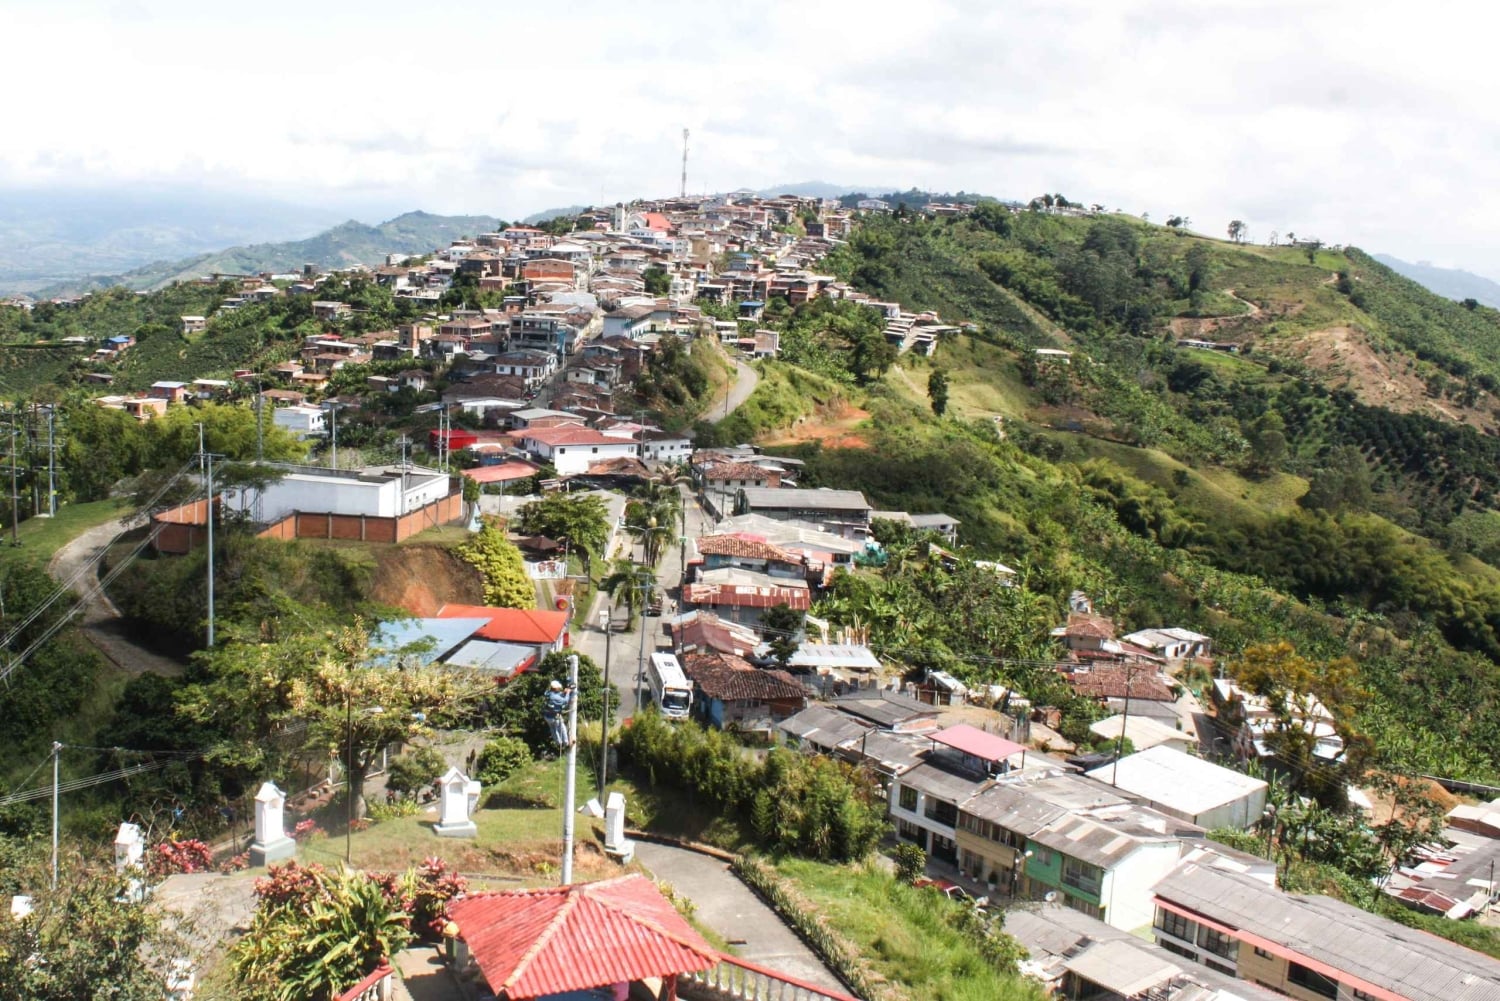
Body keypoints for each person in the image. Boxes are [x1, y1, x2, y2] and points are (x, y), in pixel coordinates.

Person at [543, 679, 574, 748]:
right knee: (561, 728)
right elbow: (565, 701)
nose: (559, 689)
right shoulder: (554, 697)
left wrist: (563, 693)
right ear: (555, 688)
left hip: (547, 716)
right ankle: (566, 743)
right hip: (554, 716)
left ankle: (558, 743)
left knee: (553, 729)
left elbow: (557, 695)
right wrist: (568, 693)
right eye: (558, 688)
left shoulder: (548, 693)